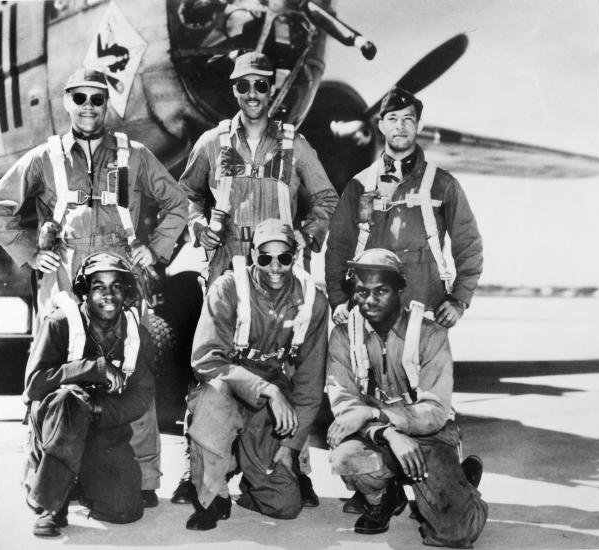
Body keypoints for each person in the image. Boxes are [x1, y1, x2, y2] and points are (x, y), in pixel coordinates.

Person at [0, 67, 188, 506]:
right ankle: (46, 476)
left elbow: (177, 203)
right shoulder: (45, 157)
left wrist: (155, 249)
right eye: (80, 98)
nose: (89, 107)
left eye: (97, 98)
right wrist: (30, 254)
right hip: (64, 280)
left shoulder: (134, 154)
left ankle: (144, 477)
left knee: (134, 372)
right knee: (56, 377)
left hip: (120, 280)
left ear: (107, 103)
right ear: (67, 102)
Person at [175, 50, 338, 505]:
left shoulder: (293, 145)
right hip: (227, 268)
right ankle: (200, 469)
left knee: (284, 368)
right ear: (234, 90)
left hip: (278, 271)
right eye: (243, 86)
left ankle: (292, 463)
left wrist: (307, 235)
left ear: (273, 90)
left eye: (261, 86)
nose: (252, 95)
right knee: (214, 367)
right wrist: (197, 226)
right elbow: (186, 193)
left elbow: (325, 197)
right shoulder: (212, 142)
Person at [326, 248, 488, 547]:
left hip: (429, 435)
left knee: (455, 532)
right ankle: (384, 499)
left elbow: (435, 410)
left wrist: (379, 415)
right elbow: (345, 403)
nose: (370, 300)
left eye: (381, 291)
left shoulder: (430, 333)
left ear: (400, 289)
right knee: (345, 456)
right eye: (362, 291)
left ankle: (463, 486)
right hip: (375, 435)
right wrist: (386, 432)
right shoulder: (343, 335)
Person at [184, 219, 329, 530]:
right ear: (252, 255)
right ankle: (212, 494)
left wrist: (291, 447)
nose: (275, 267)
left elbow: (310, 384)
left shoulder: (312, 301)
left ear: (294, 255)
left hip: (268, 402)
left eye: (284, 257)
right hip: (227, 385)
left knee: (285, 506)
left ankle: (247, 468)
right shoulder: (227, 288)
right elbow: (206, 360)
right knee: (210, 405)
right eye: (265, 258)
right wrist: (268, 390)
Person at [325, 86, 482, 330]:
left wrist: (459, 300)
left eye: (408, 119)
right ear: (380, 125)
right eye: (393, 118)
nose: (400, 126)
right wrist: (338, 300)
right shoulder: (359, 186)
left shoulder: (443, 185)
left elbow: (469, 245)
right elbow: (338, 247)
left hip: (425, 313)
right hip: (369, 315)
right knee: (365, 368)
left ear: (419, 126)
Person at [24, 253, 156, 536]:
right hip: (58, 422)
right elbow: (34, 384)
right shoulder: (60, 324)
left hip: (102, 424)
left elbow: (141, 395)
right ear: (85, 291)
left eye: (116, 286)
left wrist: (98, 412)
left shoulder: (137, 335)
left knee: (124, 509)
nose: (108, 294)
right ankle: (50, 506)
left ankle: (79, 482)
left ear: (126, 291)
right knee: (69, 401)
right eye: (98, 286)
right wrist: (92, 368)